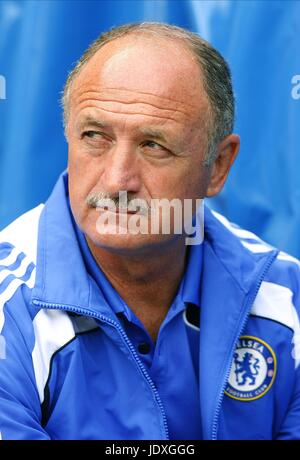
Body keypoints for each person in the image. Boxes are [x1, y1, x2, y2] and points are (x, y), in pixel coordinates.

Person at [0, 22, 299, 441]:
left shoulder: (286, 299)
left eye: (153, 145)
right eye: (94, 136)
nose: (117, 180)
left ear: (217, 166)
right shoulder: (8, 308)